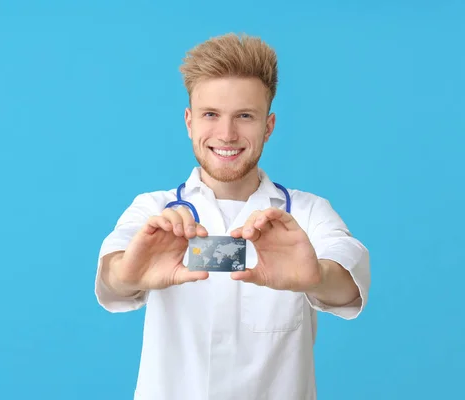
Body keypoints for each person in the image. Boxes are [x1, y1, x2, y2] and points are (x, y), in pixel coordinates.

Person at [95, 33, 371, 400]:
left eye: (244, 116)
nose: (226, 135)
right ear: (189, 121)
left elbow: (348, 276)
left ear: (268, 126)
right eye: (211, 114)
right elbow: (113, 271)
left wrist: (317, 276)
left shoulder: (306, 212)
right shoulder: (154, 210)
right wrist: (127, 272)